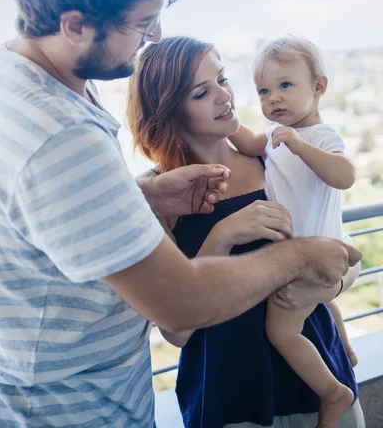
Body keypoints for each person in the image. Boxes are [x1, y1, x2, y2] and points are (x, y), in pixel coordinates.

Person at [0, 0, 361, 428]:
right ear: (74, 26)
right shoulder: (58, 133)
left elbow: (42, 208)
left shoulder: (20, 84)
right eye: (140, 23)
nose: (155, 33)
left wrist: (136, 194)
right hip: (67, 411)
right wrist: (301, 256)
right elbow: (180, 310)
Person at [127, 35, 365, 428]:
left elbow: (339, 248)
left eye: (222, 79)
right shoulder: (161, 197)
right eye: (203, 92)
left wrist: (334, 287)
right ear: (169, 111)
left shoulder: (275, 156)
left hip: (317, 382)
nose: (225, 96)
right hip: (230, 396)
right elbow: (176, 333)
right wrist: (223, 234)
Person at [229, 35, 359, 428]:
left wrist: (302, 147)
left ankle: (333, 392)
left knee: (280, 330)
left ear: (318, 87)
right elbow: (248, 140)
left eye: (285, 85)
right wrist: (227, 116)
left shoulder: (320, 136)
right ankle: (347, 349)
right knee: (321, 302)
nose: (274, 99)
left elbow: (346, 176)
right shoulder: (273, 136)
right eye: (264, 91)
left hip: (315, 250)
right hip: (305, 249)